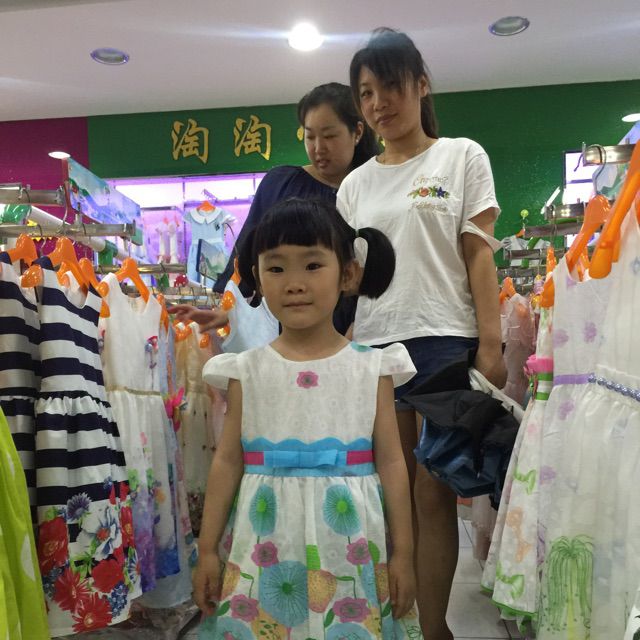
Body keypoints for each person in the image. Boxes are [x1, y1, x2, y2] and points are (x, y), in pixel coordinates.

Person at [337, 28, 507, 640]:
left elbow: (478, 254)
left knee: (433, 491)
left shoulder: (461, 157)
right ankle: (398, 623)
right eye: (366, 93)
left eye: (390, 86)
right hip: (375, 347)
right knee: (390, 492)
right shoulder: (354, 185)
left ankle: (435, 629)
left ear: (421, 85)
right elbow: (347, 280)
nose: (378, 102)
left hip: (444, 343)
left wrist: (492, 344)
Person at [192, 198, 423, 640]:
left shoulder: (372, 368)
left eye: (313, 265)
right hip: (264, 546)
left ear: (347, 274)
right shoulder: (245, 370)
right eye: (276, 268)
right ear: (257, 277)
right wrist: (207, 550)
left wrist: (404, 554)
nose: (295, 284)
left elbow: (393, 463)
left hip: (349, 549)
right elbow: (227, 461)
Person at [169, 82, 379, 336]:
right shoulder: (281, 185)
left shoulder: (375, 189)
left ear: (357, 132)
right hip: (289, 326)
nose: (318, 148)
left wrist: (363, 326)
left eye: (329, 136)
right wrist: (226, 311)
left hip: (365, 329)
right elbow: (246, 255)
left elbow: (386, 266)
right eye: (310, 136)